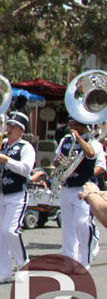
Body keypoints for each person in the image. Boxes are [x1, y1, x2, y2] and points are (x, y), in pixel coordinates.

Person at [0, 99, 36, 283]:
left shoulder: (26, 147)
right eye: (9, 124)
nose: (9, 128)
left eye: (14, 126)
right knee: (1, 233)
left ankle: (23, 263)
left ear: (21, 131)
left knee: (11, 231)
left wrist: (6, 160)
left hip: (17, 194)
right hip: (0, 194)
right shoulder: (2, 146)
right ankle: (5, 271)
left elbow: (26, 169)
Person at [54, 113, 106, 267]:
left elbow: (91, 155)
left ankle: (85, 259)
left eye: (76, 125)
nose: (73, 128)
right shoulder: (65, 141)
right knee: (68, 226)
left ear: (84, 127)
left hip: (84, 189)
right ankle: (70, 259)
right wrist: (59, 164)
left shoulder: (93, 142)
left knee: (81, 223)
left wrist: (79, 138)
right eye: (71, 125)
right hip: (67, 187)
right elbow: (58, 160)